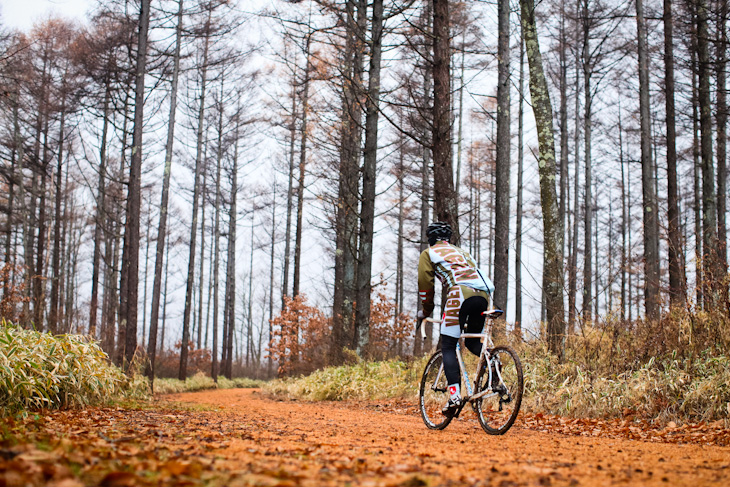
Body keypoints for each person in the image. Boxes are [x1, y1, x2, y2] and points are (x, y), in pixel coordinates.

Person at [417, 221, 495, 415]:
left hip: (459, 294)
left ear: (431, 240)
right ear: (448, 239)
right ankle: (493, 361)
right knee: (473, 342)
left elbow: (425, 285)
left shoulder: (429, 254)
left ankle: (454, 397)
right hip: (483, 295)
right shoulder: (463, 253)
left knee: (449, 345)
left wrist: (425, 312)